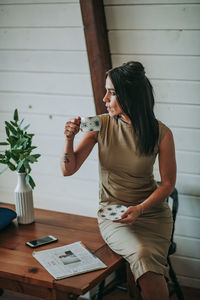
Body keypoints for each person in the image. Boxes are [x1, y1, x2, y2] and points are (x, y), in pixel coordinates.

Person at [60, 61, 176, 300]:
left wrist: (141, 208)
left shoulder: (161, 133)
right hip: (114, 215)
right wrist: (69, 139)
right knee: (144, 255)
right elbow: (67, 170)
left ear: (131, 96)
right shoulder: (98, 124)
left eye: (111, 93)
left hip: (152, 214)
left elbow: (167, 185)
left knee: (148, 259)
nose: (104, 99)